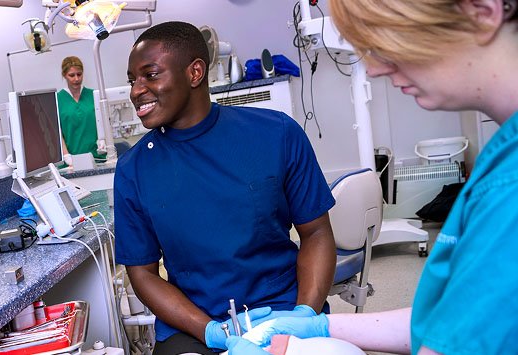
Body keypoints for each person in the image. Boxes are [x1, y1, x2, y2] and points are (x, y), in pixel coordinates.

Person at [227, 0, 518, 354]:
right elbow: (450, 320)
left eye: (386, 37)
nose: (376, 67)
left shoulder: (508, 190)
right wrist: (321, 326)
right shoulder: (504, 154)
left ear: (481, 10)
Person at [115, 21, 338, 355]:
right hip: (194, 324)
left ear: (194, 73)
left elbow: (317, 233)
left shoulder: (276, 135)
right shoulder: (134, 169)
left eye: (150, 75)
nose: (135, 90)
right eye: (132, 80)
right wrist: (210, 332)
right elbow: (143, 274)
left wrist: (304, 316)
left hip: (284, 309)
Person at [57, 56, 106, 161]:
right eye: (71, 75)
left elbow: (105, 123)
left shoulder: (94, 95)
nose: (76, 79)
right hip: (72, 160)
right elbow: (57, 132)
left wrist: (104, 140)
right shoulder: (58, 100)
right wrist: (66, 155)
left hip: (97, 157)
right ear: (64, 75)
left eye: (79, 74)